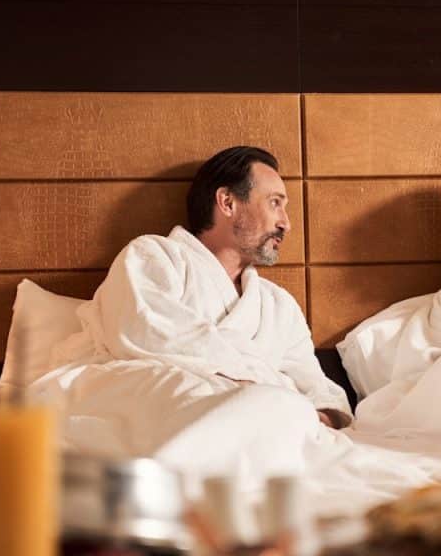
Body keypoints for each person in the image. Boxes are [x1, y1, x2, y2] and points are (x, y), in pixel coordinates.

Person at [72, 146, 352, 428]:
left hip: (267, 423)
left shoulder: (278, 305)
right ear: (227, 202)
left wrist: (317, 416)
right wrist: (262, 388)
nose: (286, 224)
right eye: (275, 203)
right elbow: (145, 333)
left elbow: (318, 390)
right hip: (173, 409)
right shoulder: (154, 256)